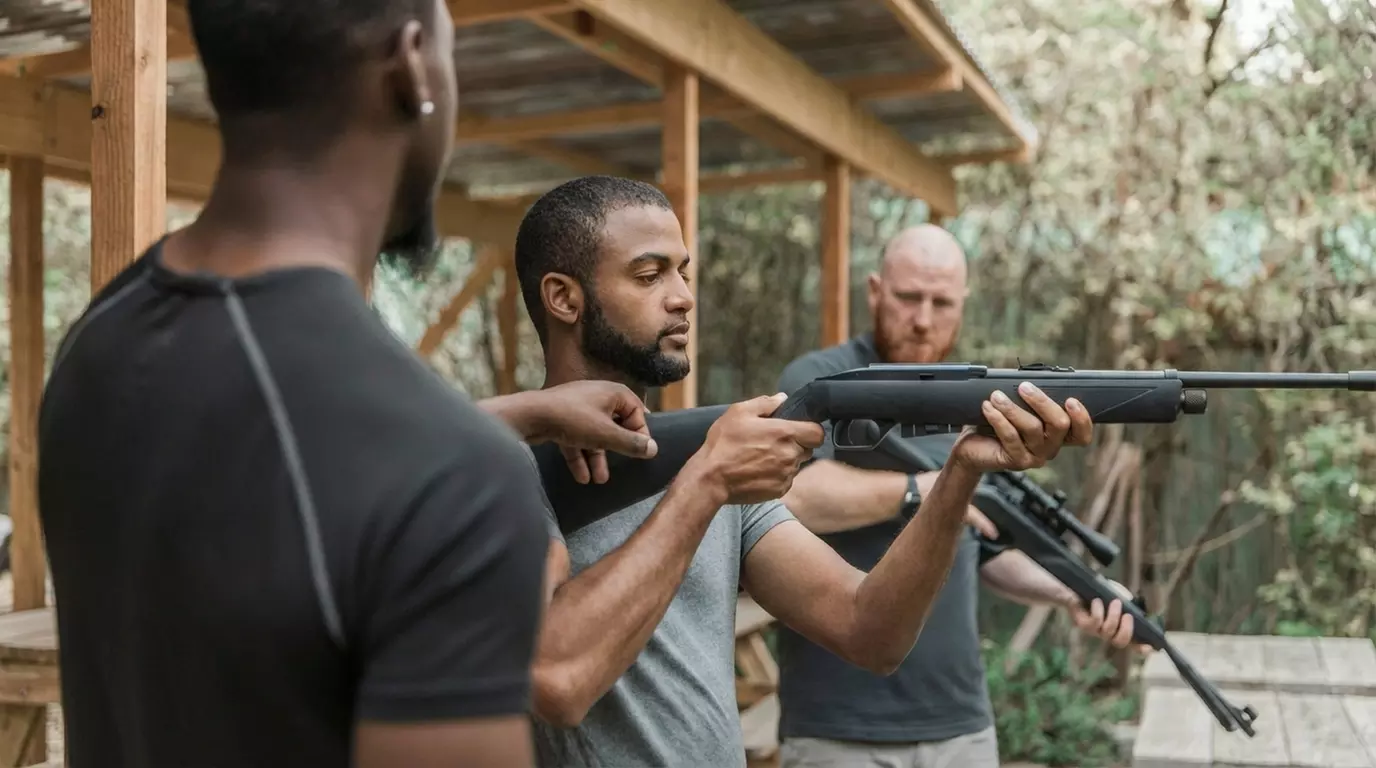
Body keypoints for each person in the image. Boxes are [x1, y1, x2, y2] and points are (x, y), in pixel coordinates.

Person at [35, 3, 664, 767]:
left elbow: (273, 450)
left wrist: (521, 414)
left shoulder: (97, 343)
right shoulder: (453, 478)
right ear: (411, 65)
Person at [509, 175, 1098, 768]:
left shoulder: (706, 460)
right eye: (648, 274)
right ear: (564, 298)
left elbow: (871, 631)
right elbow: (559, 679)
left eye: (683, 272)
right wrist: (706, 484)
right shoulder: (503, 471)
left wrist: (959, 473)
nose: (683, 296)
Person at [773, 224, 1145, 768]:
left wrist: (1077, 592)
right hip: (838, 729)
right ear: (875, 291)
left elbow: (987, 548)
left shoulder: (972, 400)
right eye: (908, 297)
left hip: (960, 728)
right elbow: (794, 495)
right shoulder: (822, 377)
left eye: (941, 302)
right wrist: (926, 489)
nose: (923, 318)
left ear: (963, 303)